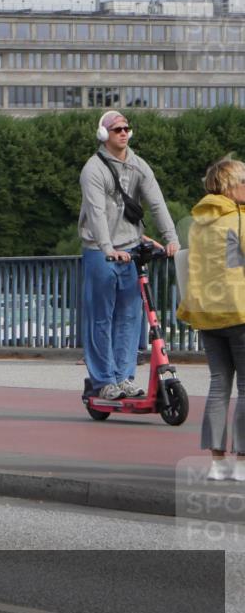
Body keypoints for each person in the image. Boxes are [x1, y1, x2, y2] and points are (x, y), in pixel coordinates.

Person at [79, 111, 179, 401]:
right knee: (100, 317)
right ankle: (103, 380)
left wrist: (171, 239)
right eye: (116, 130)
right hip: (101, 250)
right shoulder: (93, 169)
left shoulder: (138, 165)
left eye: (126, 128)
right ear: (104, 135)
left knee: (130, 316)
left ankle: (124, 377)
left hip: (132, 247)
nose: (123, 133)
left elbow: (157, 202)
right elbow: (96, 214)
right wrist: (108, 248)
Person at [176, 155, 245, 481]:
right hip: (239, 310)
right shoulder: (239, 220)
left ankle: (218, 462)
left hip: (207, 314)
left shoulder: (199, 223)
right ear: (230, 186)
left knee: (219, 385)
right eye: (243, 181)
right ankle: (243, 462)